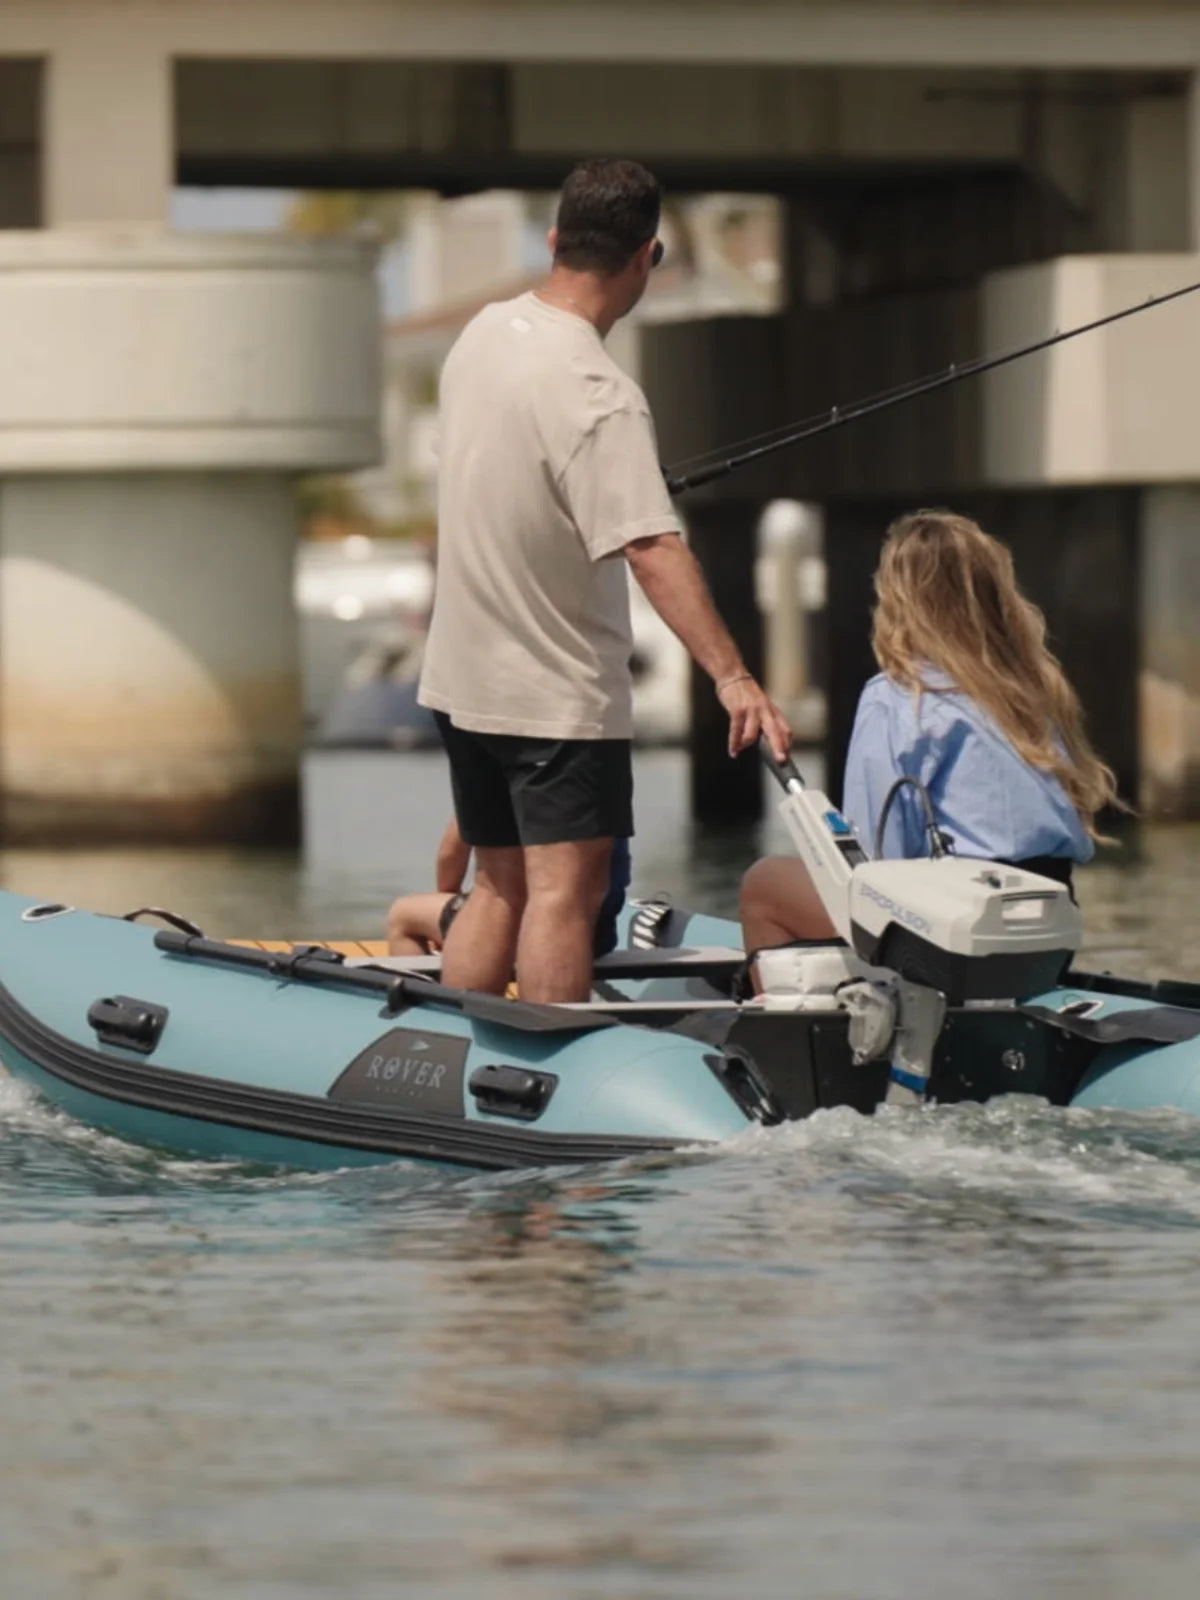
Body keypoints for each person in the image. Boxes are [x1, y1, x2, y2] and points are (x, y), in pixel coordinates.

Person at [418, 158, 790, 1003]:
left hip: (461, 678)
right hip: (553, 697)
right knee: (563, 893)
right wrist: (733, 678)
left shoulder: (482, 335)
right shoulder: (601, 394)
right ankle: (544, 1077)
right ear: (647, 258)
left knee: (497, 885)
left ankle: (453, 1056)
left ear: (554, 240)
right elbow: (654, 549)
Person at [740, 508, 1120, 952]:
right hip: (1051, 927)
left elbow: (878, 856)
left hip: (959, 931)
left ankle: (785, 1015)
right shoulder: (1031, 690)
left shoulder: (897, 695)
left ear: (898, 599)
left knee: (763, 884)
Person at [387, 817, 633, 962]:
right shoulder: (603, 779)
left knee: (403, 915)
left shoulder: (512, 773)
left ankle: (426, 1014)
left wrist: (453, 916)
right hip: (598, 937)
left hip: (519, 934)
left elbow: (451, 853)